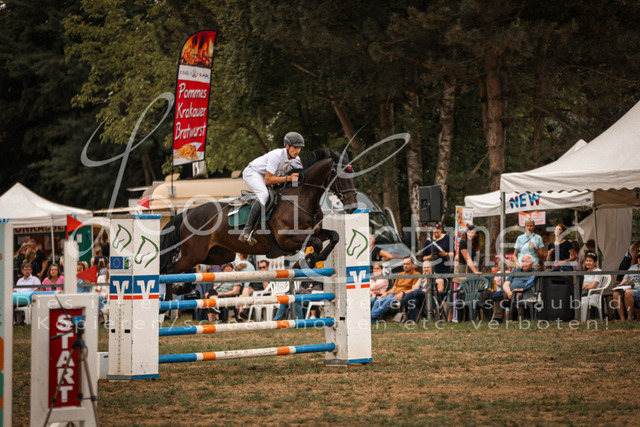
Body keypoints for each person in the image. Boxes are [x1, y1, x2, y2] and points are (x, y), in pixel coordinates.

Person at [238, 132, 305, 245]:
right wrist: (289, 178)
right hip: (253, 173)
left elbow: (302, 176)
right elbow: (268, 179)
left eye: (300, 148)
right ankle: (247, 231)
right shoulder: (276, 155)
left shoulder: (296, 160)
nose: (297, 150)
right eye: (295, 147)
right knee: (264, 195)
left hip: (267, 176)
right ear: (287, 146)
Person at [370, 257, 420, 322]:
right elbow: (393, 289)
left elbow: (414, 289)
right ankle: (372, 321)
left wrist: (402, 293)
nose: (405, 266)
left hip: (404, 296)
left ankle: (371, 317)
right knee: (378, 301)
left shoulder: (416, 274)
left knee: (388, 301)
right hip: (394, 295)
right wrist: (387, 293)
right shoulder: (400, 275)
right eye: (404, 264)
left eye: (407, 264)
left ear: (412, 265)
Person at [492, 255, 537, 322]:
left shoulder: (535, 273)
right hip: (511, 292)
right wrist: (509, 292)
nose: (524, 264)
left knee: (518, 296)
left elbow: (531, 285)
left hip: (525, 293)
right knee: (498, 295)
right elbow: (506, 284)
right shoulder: (515, 271)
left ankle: (519, 319)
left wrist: (521, 290)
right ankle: (497, 319)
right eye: (523, 261)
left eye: (527, 262)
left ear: (532, 263)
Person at [613, 253, 640, 321]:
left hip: (637, 290)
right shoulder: (632, 268)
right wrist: (619, 286)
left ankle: (629, 317)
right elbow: (624, 280)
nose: (639, 259)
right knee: (616, 293)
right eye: (639, 257)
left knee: (628, 292)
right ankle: (622, 319)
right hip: (630, 288)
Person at [580, 252, 604, 317]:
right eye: (587, 260)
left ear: (595, 262)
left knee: (576, 297)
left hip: (593, 293)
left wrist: (585, 286)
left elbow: (593, 286)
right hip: (585, 292)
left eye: (590, 261)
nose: (588, 263)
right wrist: (587, 285)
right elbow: (581, 285)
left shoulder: (598, 271)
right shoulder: (586, 272)